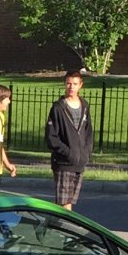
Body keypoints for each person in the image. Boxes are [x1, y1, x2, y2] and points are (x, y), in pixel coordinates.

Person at [45, 70, 93, 210]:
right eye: (68, 83)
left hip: (79, 162)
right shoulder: (58, 108)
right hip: (64, 162)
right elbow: (51, 137)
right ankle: (60, 229)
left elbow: (88, 132)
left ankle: (54, 227)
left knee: (69, 202)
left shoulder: (84, 106)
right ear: (64, 84)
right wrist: (68, 152)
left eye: (75, 84)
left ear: (80, 85)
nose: (71, 87)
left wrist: (86, 153)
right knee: (63, 204)